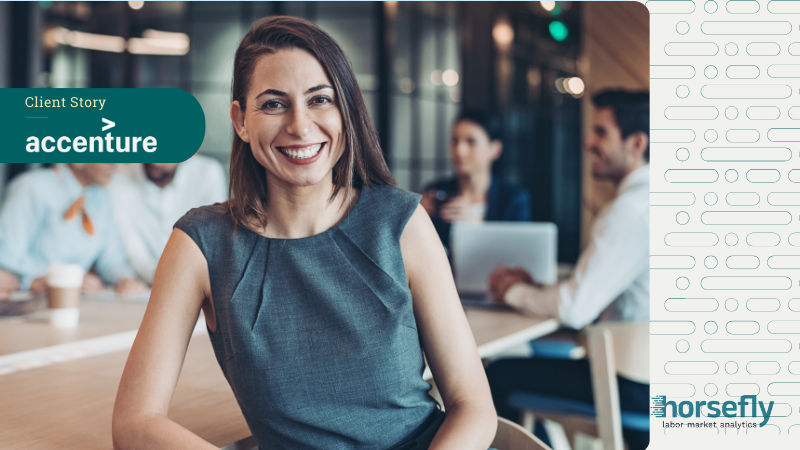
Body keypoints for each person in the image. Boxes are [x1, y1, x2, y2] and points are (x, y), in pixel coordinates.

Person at [113, 16, 496, 450]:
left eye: (320, 100)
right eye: (274, 104)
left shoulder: (401, 222)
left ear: (345, 111)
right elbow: (134, 423)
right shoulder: (201, 245)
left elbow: (473, 407)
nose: (299, 125)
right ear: (240, 120)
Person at [486, 90, 650, 450]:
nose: (588, 141)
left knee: (494, 376)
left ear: (637, 143)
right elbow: (595, 291)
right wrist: (541, 289)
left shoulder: (630, 211)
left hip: (635, 386)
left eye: (602, 133)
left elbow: (576, 308)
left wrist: (512, 291)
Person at [0, 163, 148, 299]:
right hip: (30, 300)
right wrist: (58, 277)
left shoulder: (102, 199)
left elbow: (111, 261)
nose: (115, 166)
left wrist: (124, 279)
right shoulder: (32, 187)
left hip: (77, 301)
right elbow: (6, 254)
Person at [420, 110, 531, 252]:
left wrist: (478, 228)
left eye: (471, 142)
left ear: (494, 149)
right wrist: (417, 217)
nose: (459, 150)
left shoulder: (514, 199)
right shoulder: (436, 192)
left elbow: (519, 253)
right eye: (454, 141)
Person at [108, 158, 227, 285]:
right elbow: (132, 249)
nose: (155, 162)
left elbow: (211, 242)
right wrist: (163, 278)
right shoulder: (119, 179)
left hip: (194, 282)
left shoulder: (208, 175)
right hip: (143, 282)